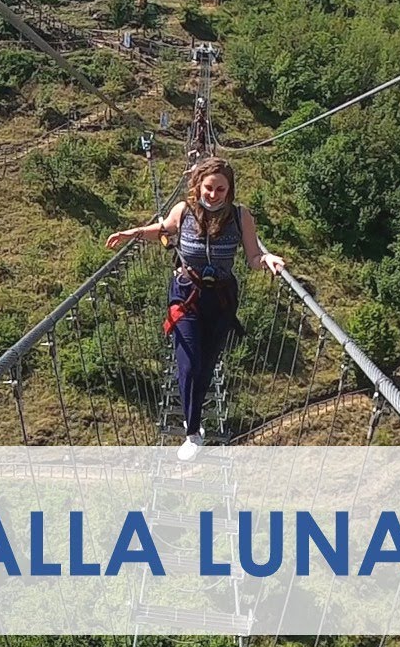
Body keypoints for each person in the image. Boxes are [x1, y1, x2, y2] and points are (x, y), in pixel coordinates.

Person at [105, 158, 285, 460]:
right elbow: (162, 229)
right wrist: (131, 233)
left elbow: (253, 257)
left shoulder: (241, 216)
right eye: (209, 188)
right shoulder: (184, 210)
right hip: (186, 294)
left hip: (222, 300)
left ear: (229, 191)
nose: (214, 195)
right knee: (188, 364)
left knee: (206, 367)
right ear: (199, 186)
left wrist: (266, 260)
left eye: (221, 189)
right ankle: (192, 431)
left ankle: (194, 416)